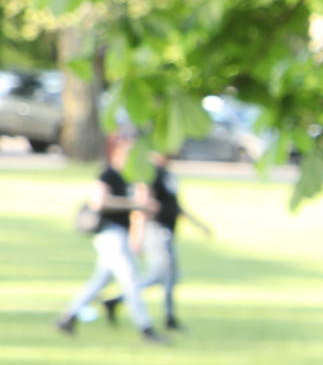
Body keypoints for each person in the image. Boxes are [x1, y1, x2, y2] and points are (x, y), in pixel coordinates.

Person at [54, 132, 167, 345]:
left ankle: (67, 317)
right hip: (109, 233)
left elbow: (140, 212)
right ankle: (146, 328)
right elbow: (99, 201)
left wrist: (139, 231)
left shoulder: (134, 178)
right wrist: (133, 203)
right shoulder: (109, 175)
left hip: (122, 234)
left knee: (101, 280)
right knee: (130, 280)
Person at [132, 150, 211, 332]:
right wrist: (138, 235)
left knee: (166, 276)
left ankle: (120, 298)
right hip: (157, 230)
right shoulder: (151, 174)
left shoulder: (168, 175)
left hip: (168, 230)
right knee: (166, 275)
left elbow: (175, 206)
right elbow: (142, 206)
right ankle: (168, 317)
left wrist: (199, 225)